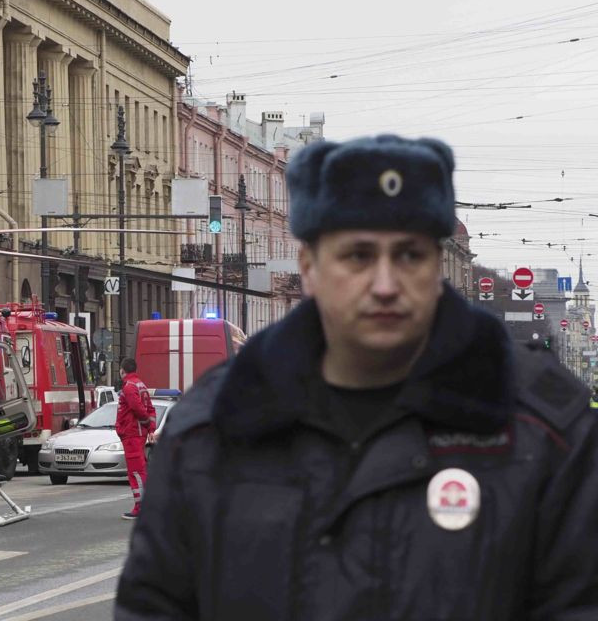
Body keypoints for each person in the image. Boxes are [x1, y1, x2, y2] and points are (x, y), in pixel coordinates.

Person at [116, 134, 598, 620]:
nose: (385, 285)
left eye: (409, 255)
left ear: (437, 269)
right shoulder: (215, 425)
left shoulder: (543, 427)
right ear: (309, 267)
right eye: (358, 256)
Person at [114, 358, 155, 520]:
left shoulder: (129, 387)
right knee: (140, 470)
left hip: (132, 434)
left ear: (122, 370)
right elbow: (150, 409)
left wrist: (146, 423)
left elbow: (137, 408)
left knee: (136, 472)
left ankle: (141, 508)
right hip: (137, 434)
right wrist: (150, 428)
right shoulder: (141, 385)